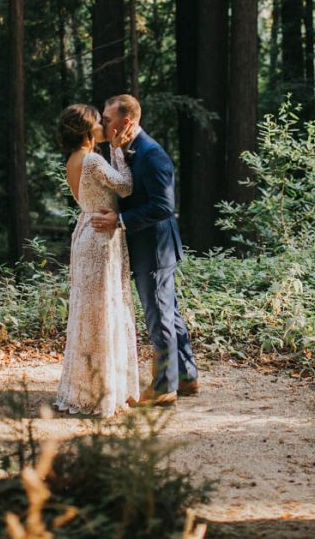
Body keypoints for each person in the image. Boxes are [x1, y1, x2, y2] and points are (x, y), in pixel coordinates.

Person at [92, 94, 198, 406]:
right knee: (171, 314)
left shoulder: (152, 154)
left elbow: (164, 206)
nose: (103, 123)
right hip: (150, 247)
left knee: (159, 317)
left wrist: (120, 220)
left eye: (107, 119)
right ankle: (188, 377)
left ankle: (165, 386)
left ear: (126, 122)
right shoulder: (127, 149)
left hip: (154, 249)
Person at [54, 103, 139, 417]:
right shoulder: (92, 159)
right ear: (87, 129)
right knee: (104, 310)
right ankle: (103, 391)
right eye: (98, 122)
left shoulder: (72, 161)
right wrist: (117, 151)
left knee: (87, 313)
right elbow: (125, 187)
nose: (104, 126)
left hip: (85, 232)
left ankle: (87, 387)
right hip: (101, 238)